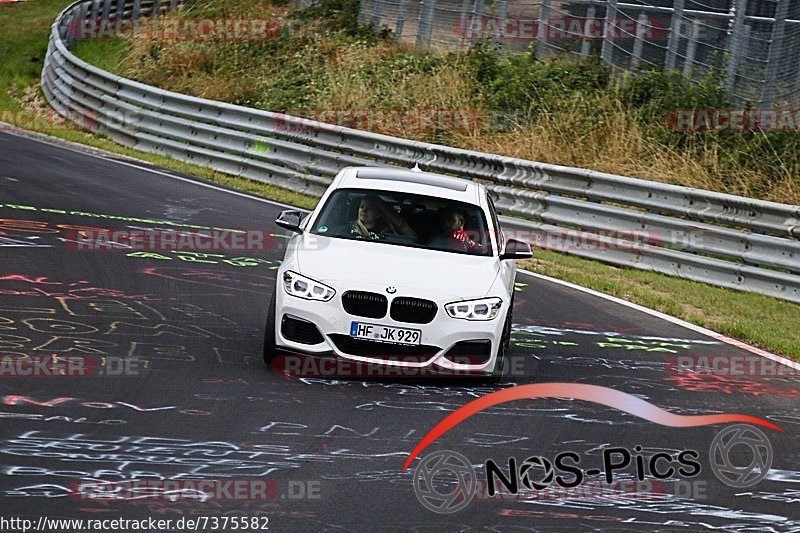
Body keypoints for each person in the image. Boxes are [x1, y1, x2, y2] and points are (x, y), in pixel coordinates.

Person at [340, 194, 417, 240]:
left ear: (378, 214)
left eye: (370, 208)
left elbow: (412, 239)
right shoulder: (345, 230)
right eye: (362, 206)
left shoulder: (387, 233)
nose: (364, 210)